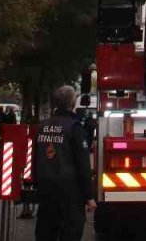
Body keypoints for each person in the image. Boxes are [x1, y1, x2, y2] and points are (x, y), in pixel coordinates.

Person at [32, 86, 95, 241]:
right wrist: (89, 196)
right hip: (70, 193)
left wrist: (36, 183)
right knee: (71, 232)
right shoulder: (74, 128)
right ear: (73, 103)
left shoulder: (43, 126)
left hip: (46, 190)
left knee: (45, 233)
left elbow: (35, 157)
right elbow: (83, 165)